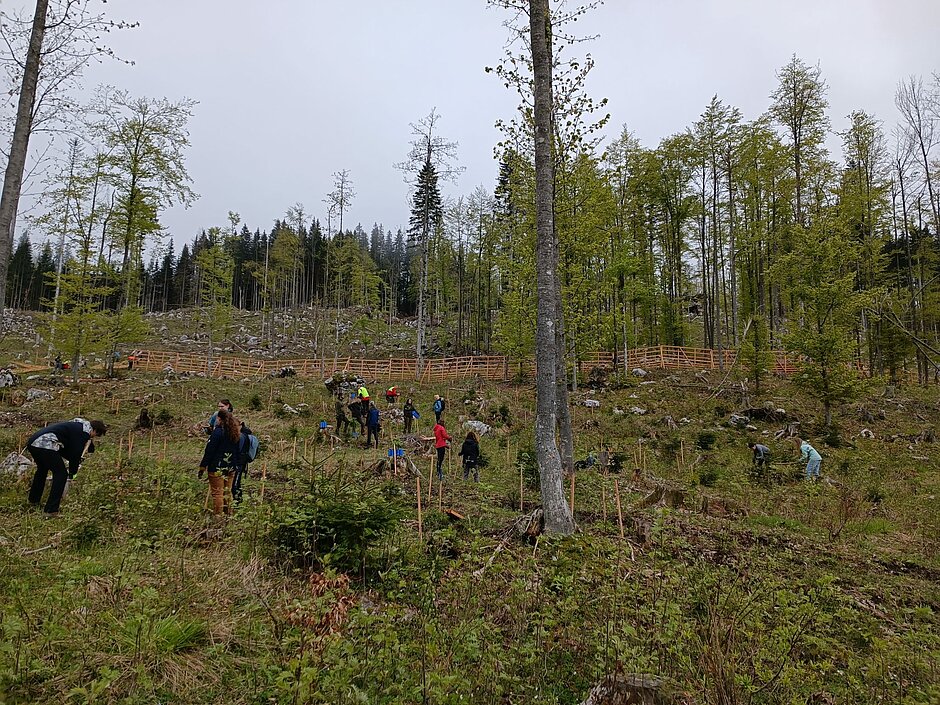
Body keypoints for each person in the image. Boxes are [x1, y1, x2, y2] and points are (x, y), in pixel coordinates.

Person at [27, 418, 108, 516]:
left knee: (42, 470)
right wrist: (72, 473)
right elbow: (75, 454)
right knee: (61, 474)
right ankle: (51, 510)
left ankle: (33, 500)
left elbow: (66, 449)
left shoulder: (78, 426)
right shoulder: (83, 432)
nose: (93, 437)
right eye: (96, 435)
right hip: (45, 444)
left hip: (34, 442)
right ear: (94, 430)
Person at [199, 409, 242, 515]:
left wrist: (203, 466)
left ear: (219, 419)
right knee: (227, 492)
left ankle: (218, 516)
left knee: (218, 493)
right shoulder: (234, 432)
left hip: (217, 467)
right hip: (231, 466)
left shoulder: (217, 432)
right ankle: (229, 514)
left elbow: (209, 451)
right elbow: (237, 450)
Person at [231, 421, 254, 504]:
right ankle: (237, 501)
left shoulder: (241, 436)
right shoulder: (244, 434)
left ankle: (237, 502)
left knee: (235, 484)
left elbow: (238, 450)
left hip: (239, 462)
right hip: (241, 462)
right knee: (236, 482)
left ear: (240, 425)